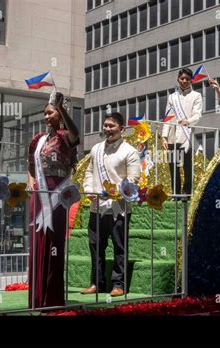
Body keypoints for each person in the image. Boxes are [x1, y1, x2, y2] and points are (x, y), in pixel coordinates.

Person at [27, 91, 80, 308]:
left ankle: (52, 298)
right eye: (45, 114)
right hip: (39, 195)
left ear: (60, 114)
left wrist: (64, 110)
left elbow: (75, 133)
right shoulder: (37, 140)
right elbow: (31, 165)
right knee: (38, 244)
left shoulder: (66, 137)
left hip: (57, 196)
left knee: (54, 244)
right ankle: (36, 297)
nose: (47, 117)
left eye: (51, 113)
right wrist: (31, 182)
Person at [81, 112, 140, 297]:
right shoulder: (96, 149)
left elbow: (133, 179)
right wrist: (89, 188)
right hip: (97, 206)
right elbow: (89, 171)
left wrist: (115, 190)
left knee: (119, 247)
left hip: (118, 208)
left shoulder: (129, 151)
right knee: (95, 246)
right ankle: (97, 282)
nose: (107, 129)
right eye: (105, 125)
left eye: (111, 126)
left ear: (121, 129)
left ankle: (118, 284)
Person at [162, 67, 202, 196]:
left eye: (187, 79)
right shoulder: (172, 97)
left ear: (191, 80)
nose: (184, 81)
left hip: (187, 135)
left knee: (187, 166)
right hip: (173, 135)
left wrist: (188, 121)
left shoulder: (196, 95)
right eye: (182, 78)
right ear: (178, 79)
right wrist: (164, 136)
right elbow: (167, 117)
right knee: (173, 166)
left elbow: (198, 115)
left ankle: (186, 193)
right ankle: (176, 193)